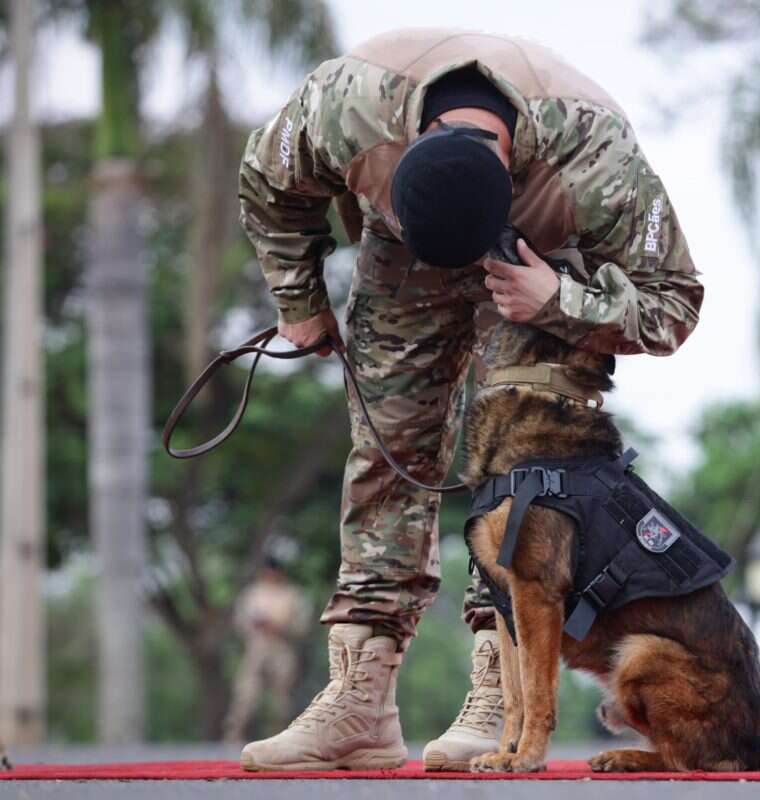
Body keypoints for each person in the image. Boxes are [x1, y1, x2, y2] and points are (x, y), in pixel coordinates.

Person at [236, 29, 702, 771]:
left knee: (522, 462)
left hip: (536, 271)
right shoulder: (346, 108)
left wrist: (561, 301)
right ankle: (361, 700)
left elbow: (673, 303)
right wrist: (299, 302)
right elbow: (267, 182)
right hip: (399, 250)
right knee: (386, 439)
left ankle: (499, 693)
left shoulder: (596, 160)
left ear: (514, 166)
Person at [223, 558, 311, 743]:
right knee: (246, 694)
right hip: (257, 648)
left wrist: (281, 627)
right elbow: (239, 622)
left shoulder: (292, 595)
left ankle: (280, 738)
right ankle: (233, 738)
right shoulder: (253, 593)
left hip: (282, 648)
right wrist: (254, 626)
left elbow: (302, 626)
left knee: (282, 698)